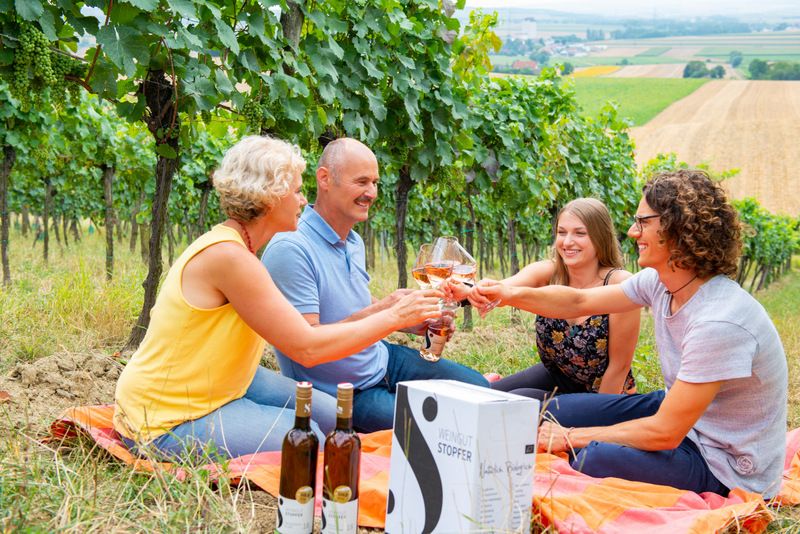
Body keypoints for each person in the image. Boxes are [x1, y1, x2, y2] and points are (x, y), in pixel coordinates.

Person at [113, 136, 443, 460]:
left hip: (222, 381)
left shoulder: (239, 250)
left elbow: (305, 332)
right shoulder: (231, 259)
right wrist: (395, 318)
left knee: (330, 414)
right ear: (270, 196)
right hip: (163, 417)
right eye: (297, 191)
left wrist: (385, 308)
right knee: (308, 439)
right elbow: (308, 347)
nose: (303, 201)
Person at [466, 169, 787, 498]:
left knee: (592, 457)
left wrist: (571, 436)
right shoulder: (661, 283)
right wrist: (506, 294)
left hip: (723, 465)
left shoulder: (719, 322)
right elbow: (578, 300)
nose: (633, 232)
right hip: (683, 419)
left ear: (676, 228)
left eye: (643, 221)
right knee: (544, 409)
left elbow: (664, 433)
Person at [262, 137, 488, 433]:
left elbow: (356, 309)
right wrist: (389, 312)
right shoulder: (291, 249)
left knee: (481, 393)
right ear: (325, 179)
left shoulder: (353, 241)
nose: (371, 193)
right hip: (344, 391)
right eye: (362, 182)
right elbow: (310, 341)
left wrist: (410, 321)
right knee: (444, 427)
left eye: (375, 183)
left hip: (382, 359)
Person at [488, 198, 640, 401]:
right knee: (486, 393)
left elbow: (619, 368)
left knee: (515, 401)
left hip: (603, 392)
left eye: (580, 233)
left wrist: (597, 419)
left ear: (600, 237)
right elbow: (502, 288)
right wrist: (463, 291)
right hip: (557, 376)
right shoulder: (550, 272)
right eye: (562, 232)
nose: (567, 242)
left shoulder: (619, 284)